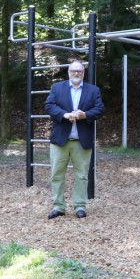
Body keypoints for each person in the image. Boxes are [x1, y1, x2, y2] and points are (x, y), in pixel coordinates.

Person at [45, 60, 105, 219]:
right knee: (56, 174)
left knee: (82, 176)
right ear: (68, 72)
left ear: (83, 73)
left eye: (79, 71)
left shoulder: (93, 90)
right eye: (73, 71)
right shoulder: (57, 88)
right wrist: (64, 115)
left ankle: (80, 206)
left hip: (82, 141)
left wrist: (85, 115)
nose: (76, 73)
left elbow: (100, 109)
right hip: (60, 141)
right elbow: (49, 106)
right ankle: (58, 206)